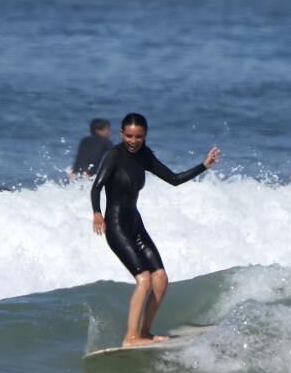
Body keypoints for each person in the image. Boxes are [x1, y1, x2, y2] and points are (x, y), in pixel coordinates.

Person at [91, 112, 221, 346]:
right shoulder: (115, 155)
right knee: (144, 279)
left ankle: (145, 332)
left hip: (135, 223)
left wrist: (204, 165)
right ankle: (130, 337)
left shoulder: (144, 156)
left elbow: (173, 178)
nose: (133, 141)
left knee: (160, 278)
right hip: (117, 225)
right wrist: (97, 213)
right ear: (122, 134)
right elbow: (96, 187)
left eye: (138, 136)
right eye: (129, 136)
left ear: (145, 136)